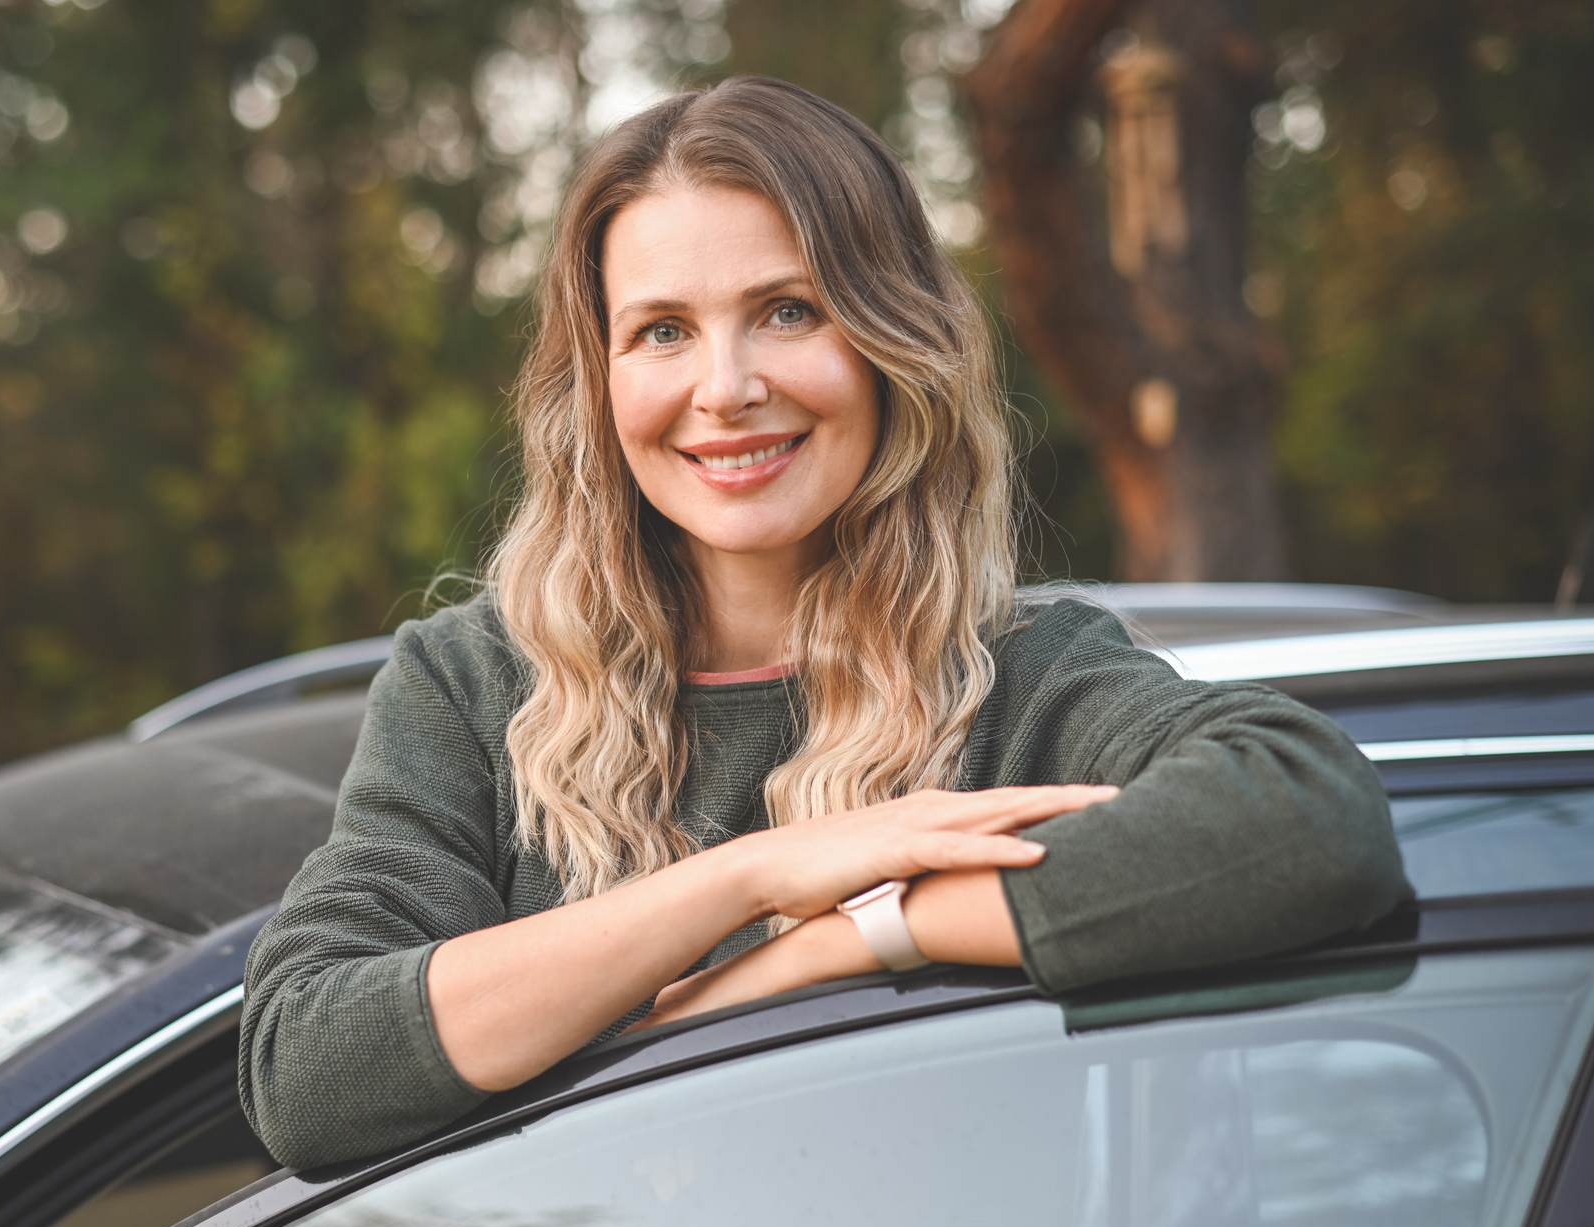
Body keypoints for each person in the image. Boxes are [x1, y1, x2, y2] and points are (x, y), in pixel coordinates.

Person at [237, 76, 1407, 1171]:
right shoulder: (473, 684)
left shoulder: (1017, 680)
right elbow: (307, 1064)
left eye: (787, 310)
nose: (727, 386)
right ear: (596, 377)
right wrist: (753, 880)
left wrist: (849, 939)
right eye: (661, 330)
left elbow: (1310, 820)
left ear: (891, 341)